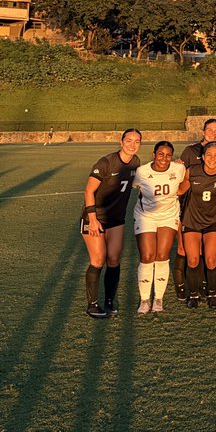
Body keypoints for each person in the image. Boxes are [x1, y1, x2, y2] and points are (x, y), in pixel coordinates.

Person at [81, 129, 142, 318]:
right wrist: (92, 219)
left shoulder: (136, 162)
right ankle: (92, 305)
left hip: (116, 219)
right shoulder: (106, 162)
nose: (132, 144)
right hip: (95, 218)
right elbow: (88, 191)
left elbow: (133, 182)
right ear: (121, 141)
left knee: (114, 260)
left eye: (137, 141)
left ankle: (109, 300)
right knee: (98, 260)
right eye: (129, 140)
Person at [133, 140, 184, 313]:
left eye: (168, 155)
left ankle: (158, 299)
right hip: (145, 215)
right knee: (147, 256)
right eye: (160, 154)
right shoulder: (142, 171)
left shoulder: (178, 169)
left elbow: (187, 181)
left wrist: (180, 191)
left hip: (168, 216)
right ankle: (145, 299)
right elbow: (133, 187)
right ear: (154, 155)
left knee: (162, 255)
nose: (164, 158)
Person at [177, 141, 216, 309]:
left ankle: (212, 293)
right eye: (209, 155)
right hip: (192, 220)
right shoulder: (192, 171)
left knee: (211, 259)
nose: (212, 159)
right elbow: (179, 190)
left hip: (213, 221)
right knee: (192, 260)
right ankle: (193, 294)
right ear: (203, 157)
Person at [174, 118, 216, 299]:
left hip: (209, 207)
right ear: (203, 131)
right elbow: (178, 174)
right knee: (182, 249)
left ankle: (203, 284)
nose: (213, 133)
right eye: (210, 130)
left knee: (206, 251)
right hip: (187, 205)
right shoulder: (190, 151)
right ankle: (181, 285)